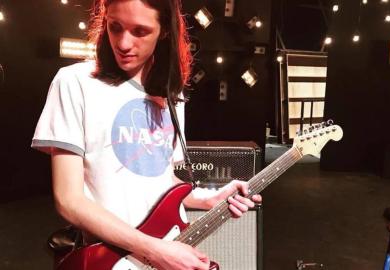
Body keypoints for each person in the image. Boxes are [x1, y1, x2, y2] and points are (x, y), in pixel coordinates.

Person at [32, 0, 262, 269]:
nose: (123, 43)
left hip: (169, 249)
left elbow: (160, 180)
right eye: (115, 27)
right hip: (113, 260)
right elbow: (69, 201)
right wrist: (155, 250)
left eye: (140, 31)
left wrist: (208, 197)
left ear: (164, 30)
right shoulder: (74, 82)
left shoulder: (171, 95)